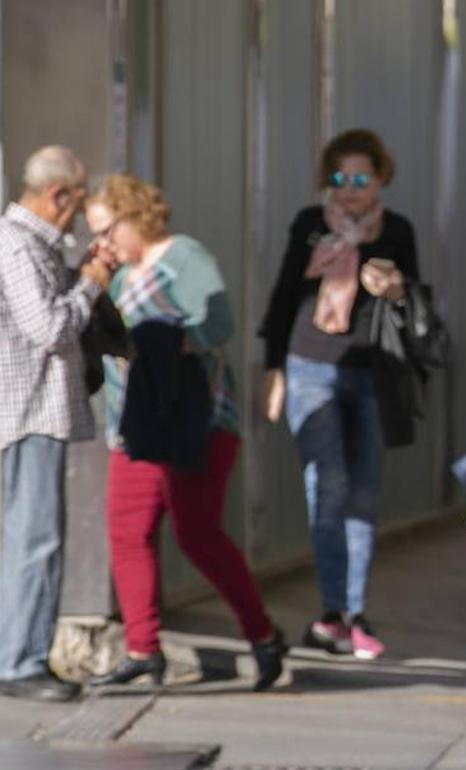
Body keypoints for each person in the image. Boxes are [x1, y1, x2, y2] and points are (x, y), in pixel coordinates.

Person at [82, 174, 286, 691]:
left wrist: (162, 343)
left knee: (197, 533)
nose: (102, 244)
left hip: (197, 417)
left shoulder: (183, 257)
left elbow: (217, 325)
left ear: (135, 217)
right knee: (128, 532)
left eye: (107, 231)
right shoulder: (119, 277)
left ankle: (262, 636)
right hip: (134, 422)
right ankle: (142, 649)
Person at [260, 129, 420, 660]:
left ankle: (353, 613)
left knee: (363, 494)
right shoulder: (311, 226)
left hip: (371, 371)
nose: (348, 190)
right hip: (310, 366)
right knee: (325, 489)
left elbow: (417, 303)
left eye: (359, 179)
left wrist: (394, 289)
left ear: (380, 179)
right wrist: (274, 367)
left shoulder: (396, 230)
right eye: (338, 178)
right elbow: (286, 294)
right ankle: (332, 611)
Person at [0, 146, 114, 701]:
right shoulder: (17, 245)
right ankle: (20, 662)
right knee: (36, 538)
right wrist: (90, 283)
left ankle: (17, 654)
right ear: (57, 196)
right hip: (27, 411)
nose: (77, 209)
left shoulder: (31, 246)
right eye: (78, 196)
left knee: (26, 538)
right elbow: (48, 327)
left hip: (32, 410)